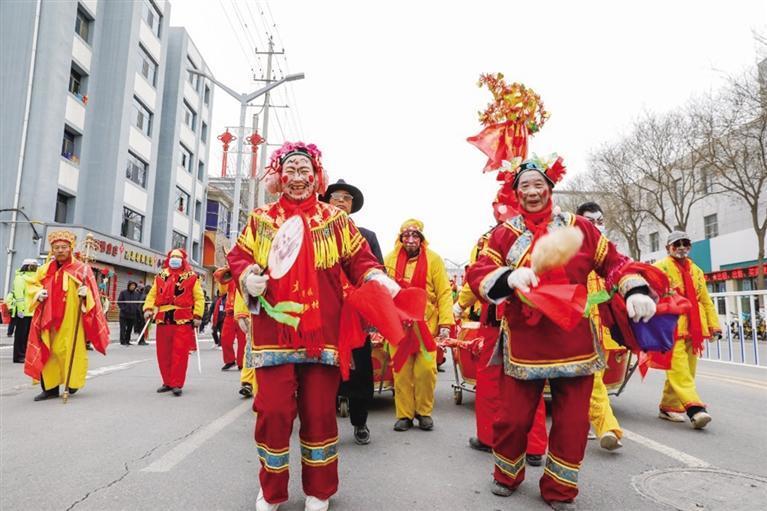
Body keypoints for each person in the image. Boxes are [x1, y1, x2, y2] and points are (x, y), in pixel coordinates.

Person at [466, 158, 657, 509]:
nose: (533, 191)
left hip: (575, 341)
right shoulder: (504, 233)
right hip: (524, 342)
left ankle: (559, 488)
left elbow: (614, 262)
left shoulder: (580, 227)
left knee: (571, 423)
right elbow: (479, 272)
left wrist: (635, 289)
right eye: (524, 186)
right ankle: (506, 474)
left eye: (538, 184)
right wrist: (508, 277)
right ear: (516, 193)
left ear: (550, 188)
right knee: (512, 419)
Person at [227, 141, 398, 511]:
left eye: (305, 170)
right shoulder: (261, 219)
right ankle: (271, 490)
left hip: (322, 334)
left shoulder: (334, 220)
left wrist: (376, 278)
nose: (298, 177)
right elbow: (238, 257)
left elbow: (359, 260)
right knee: (272, 413)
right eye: (290, 170)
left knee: (320, 413)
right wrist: (247, 276)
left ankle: (319, 490)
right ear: (278, 176)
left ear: (316, 176)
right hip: (273, 332)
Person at [454, 213, 548, 466]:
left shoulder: (541, 237)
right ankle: (495, 438)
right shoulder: (490, 240)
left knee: (526, 382)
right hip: (501, 320)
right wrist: (460, 305)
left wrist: (460, 305)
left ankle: (531, 445)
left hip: (523, 318)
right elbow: (476, 278)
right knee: (492, 381)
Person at [320, 178, 384, 445]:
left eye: (346, 198)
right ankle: (322, 425)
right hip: (323, 314)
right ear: (326, 201)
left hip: (356, 315)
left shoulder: (366, 236)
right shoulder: (316, 234)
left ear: (352, 205)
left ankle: (360, 421)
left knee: (360, 371)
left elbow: (378, 272)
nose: (340, 201)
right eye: (335, 197)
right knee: (322, 370)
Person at [384, 219, 454, 432]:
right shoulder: (390, 259)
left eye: (415, 236)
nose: (411, 240)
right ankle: (404, 415)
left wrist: (446, 323)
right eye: (407, 236)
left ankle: (423, 412)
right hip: (399, 326)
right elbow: (382, 293)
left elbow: (444, 292)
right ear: (401, 238)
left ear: (422, 239)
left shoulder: (434, 260)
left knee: (426, 371)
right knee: (402, 371)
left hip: (426, 326)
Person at [24, 230, 110, 401]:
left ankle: (72, 383)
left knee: (70, 350)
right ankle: (50, 388)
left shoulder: (82, 269)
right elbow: (32, 285)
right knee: (49, 351)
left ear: (70, 248)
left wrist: (86, 295)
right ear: (52, 250)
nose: (60, 250)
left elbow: (93, 296)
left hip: (71, 319)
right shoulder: (44, 269)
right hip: (48, 318)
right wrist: (38, 293)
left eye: (63, 247)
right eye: (56, 247)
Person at [652, 231, 720, 429]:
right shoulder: (659, 267)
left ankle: (668, 406)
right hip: (671, 326)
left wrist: (714, 326)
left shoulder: (696, 270)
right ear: (668, 248)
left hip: (694, 327)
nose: (681, 247)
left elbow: (705, 300)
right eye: (676, 244)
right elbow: (650, 293)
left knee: (688, 370)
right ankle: (695, 409)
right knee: (679, 369)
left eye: (685, 243)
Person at [576, 201, 625, 451]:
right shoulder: (572, 255)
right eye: (590, 221)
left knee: (593, 383)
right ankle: (608, 428)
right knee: (594, 382)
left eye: (599, 221)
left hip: (605, 331)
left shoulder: (610, 255)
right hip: (579, 330)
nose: (596, 225)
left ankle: (581, 423)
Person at [143, 249, 205, 397]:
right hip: (163, 318)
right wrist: (148, 308)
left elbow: (199, 298)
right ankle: (167, 381)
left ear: (183, 260)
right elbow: (152, 294)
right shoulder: (160, 276)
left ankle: (176, 383)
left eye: (178, 257)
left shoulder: (192, 277)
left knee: (180, 353)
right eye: (172, 257)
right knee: (163, 353)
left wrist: (197, 315)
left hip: (182, 319)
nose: (175, 259)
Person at [214, 266, 248, 371]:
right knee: (225, 338)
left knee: (243, 340)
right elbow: (222, 291)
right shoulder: (230, 277)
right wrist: (223, 274)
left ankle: (242, 362)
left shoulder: (246, 276)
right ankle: (230, 360)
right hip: (229, 313)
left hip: (243, 313)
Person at [5, 259, 38, 363]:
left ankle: (26, 354)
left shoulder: (36, 278)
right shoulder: (20, 278)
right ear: (27, 266)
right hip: (23, 312)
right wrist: (21, 309)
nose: (35, 268)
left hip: (32, 311)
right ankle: (19, 356)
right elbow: (19, 296)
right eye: (32, 266)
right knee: (20, 335)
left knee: (29, 336)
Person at [117, 281, 142, 346]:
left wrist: (135, 309)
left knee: (129, 329)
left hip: (132, 315)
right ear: (128, 286)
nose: (133, 286)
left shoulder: (136, 294)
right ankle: (123, 341)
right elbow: (119, 302)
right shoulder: (123, 292)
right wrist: (124, 308)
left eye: (134, 285)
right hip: (124, 314)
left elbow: (138, 303)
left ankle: (127, 340)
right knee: (123, 328)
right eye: (131, 285)